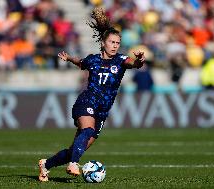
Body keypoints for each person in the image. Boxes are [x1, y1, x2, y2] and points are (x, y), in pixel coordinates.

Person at [38, 7, 145, 182]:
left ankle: (46, 165)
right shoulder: (93, 59)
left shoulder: (121, 61)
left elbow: (135, 64)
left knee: (76, 148)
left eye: (117, 43)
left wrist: (140, 60)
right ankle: (73, 164)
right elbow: (81, 63)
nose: (115, 46)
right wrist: (70, 58)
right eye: (112, 42)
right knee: (86, 130)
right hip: (87, 101)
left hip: (102, 111)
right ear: (103, 43)